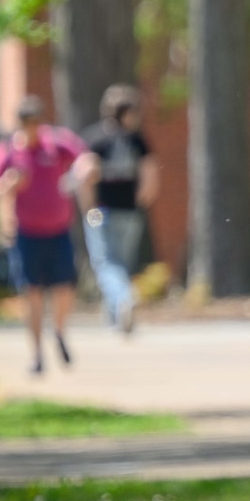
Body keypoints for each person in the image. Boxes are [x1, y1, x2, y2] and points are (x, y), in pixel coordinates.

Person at [0, 97, 95, 374]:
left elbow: (83, 156)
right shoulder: (8, 151)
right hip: (26, 234)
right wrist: (9, 183)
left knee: (65, 287)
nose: (33, 130)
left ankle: (59, 331)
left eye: (36, 124)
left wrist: (86, 168)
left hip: (58, 230)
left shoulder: (56, 143)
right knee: (32, 293)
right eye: (28, 125)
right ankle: (37, 354)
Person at [80, 84, 160, 335]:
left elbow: (86, 176)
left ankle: (125, 299)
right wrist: (141, 201)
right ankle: (115, 320)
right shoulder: (137, 140)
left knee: (105, 264)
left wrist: (88, 209)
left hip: (101, 211)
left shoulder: (94, 138)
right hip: (129, 210)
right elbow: (150, 176)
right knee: (120, 264)